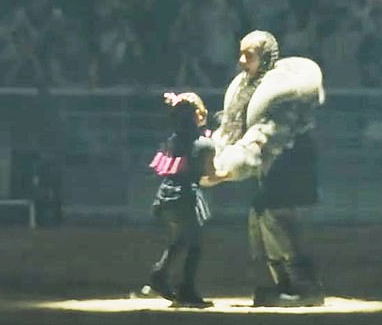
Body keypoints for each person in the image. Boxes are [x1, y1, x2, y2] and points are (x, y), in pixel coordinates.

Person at [207, 30, 325, 307]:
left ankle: (304, 287)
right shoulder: (247, 89)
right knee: (263, 214)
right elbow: (233, 131)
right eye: (241, 53)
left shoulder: (280, 94)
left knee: (274, 215)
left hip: (290, 160)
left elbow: (266, 137)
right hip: (277, 163)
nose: (241, 60)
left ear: (264, 57)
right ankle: (285, 284)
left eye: (248, 55)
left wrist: (227, 170)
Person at [139, 92, 218, 308]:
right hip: (186, 198)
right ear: (198, 115)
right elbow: (211, 175)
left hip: (166, 197)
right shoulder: (205, 144)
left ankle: (160, 274)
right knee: (194, 245)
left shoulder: (172, 141)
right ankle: (186, 290)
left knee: (180, 240)